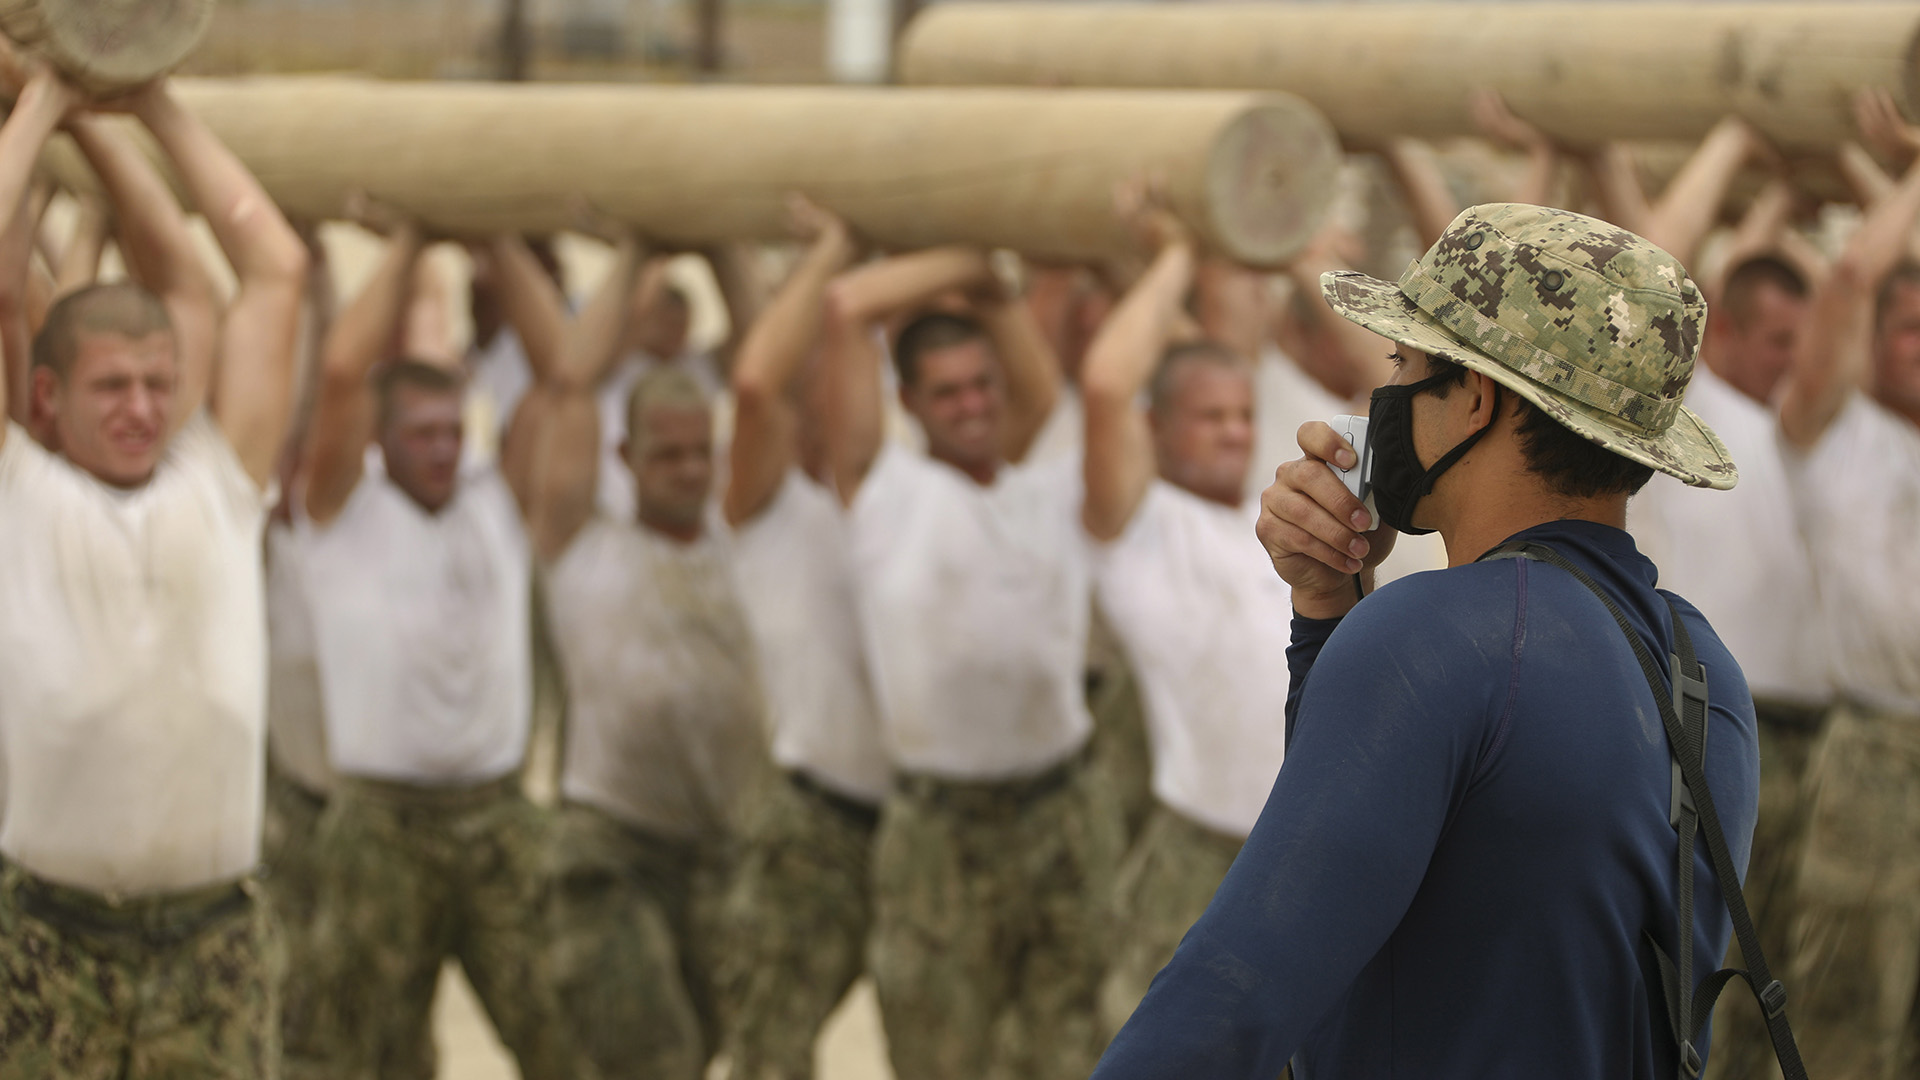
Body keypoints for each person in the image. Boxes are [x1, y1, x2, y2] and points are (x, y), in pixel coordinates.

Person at [1093, 203, 1764, 1079]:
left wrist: (1357, 628)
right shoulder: (1705, 665)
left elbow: (1230, 999)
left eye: (1404, 364)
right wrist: (1328, 609)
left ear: (1476, 397)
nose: (1385, 398)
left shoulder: (1434, 636)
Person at [0, 63, 309, 1076]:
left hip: (211, 946)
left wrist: (139, 104)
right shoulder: (24, 495)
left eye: (156, 385)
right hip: (46, 942)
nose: (140, 407)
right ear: (45, 397)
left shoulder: (218, 485)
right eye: (111, 387)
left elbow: (275, 269)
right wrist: (44, 103)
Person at [288, 215, 581, 1080]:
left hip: (497, 816)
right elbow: (343, 370)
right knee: (352, 1058)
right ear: (380, 440)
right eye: (422, 433)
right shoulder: (341, 512)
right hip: (381, 824)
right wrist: (413, 239)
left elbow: (563, 374)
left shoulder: (498, 502)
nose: (445, 449)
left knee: (564, 1041)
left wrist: (496, 242)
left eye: (454, 430)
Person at [821, 245, 1125, 1080]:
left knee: (1074, 1055)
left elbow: (1036, 384)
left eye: (982, 384)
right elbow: (845, 308)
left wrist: (994, 286)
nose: (972, 405)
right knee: (940, 1060)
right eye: (948, 391)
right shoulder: (882, 495)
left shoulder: (1043, 481)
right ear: (909, 403)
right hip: (940, 827)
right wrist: (964, 253)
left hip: (1061, 808)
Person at [503, 227, 765, 1079]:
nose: (688, 470)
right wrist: (639, 250)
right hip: (610, 845)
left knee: (708, 1050)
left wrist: (724, 245)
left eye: (702, 453)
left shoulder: (746, 534)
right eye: (667, 455)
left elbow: (773, 380)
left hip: (725, 846)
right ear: (626, 457)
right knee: (650, 1059)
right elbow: (573, 380)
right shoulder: (581, 540)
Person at [1078, 192, 1294, 1034]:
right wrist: (1173, 255)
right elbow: (1105, 384)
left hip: (1294, 856)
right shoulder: (1138, 527)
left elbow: (1232, 331)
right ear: (1157, 431)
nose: (1235, 433)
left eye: (1243, 415)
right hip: (1198, 856)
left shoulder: (1269, 519)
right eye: (1210, 418)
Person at [1628, 252, 1827, 1080]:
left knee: (1777, 970)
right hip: (1694, 723)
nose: (1795, 360)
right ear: (1727, 332)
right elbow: (1651, 258)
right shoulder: (1687, 406)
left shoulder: (1804, 422)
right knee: (1697, 961)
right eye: (1779, 339)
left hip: (1800, 736)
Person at [713, 197, 892, 1080]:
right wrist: (836, 250)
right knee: (769, 1056)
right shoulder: (768, 509)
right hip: (813, 825)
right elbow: (754, 382)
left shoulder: (896, 503)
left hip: (922, 824)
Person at [1772, 91, 1920, 1080]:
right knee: (1843, 1018)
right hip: (1874, 749)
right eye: (1907, 329)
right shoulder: (1830, 432)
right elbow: (1853, 274)